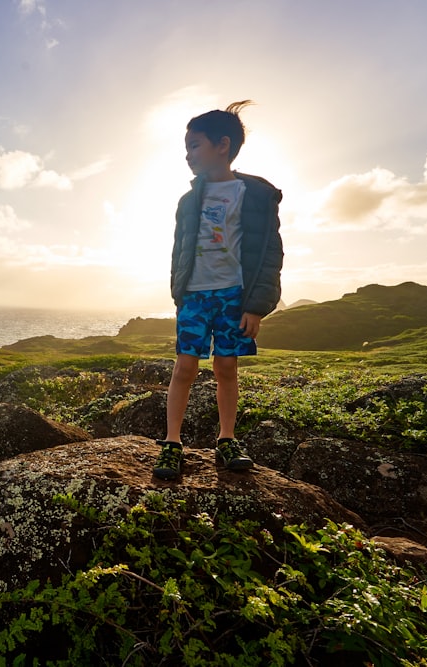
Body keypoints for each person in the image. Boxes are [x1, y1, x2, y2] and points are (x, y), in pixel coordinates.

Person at [153, 100, 284, 480]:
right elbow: (179, 250)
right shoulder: (188, 201)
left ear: (222, 145)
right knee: (185, 367)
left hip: (234, 294)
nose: (188, 155)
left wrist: (257, 305)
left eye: (195, 145)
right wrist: (179, 292)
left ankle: (226, 440)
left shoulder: (255, 196)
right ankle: (172, 443)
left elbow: (269, 253)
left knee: (227, 366)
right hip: (195, 294)